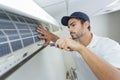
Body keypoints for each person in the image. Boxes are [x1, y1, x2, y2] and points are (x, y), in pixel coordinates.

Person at [36, 12, 120, 80]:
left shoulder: (109, 45)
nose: (69, 30)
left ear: (86, 24)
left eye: (73, 25)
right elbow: (63, 43)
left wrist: (80, 48)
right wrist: (50, 39)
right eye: (68, 27)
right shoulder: (75, 43)